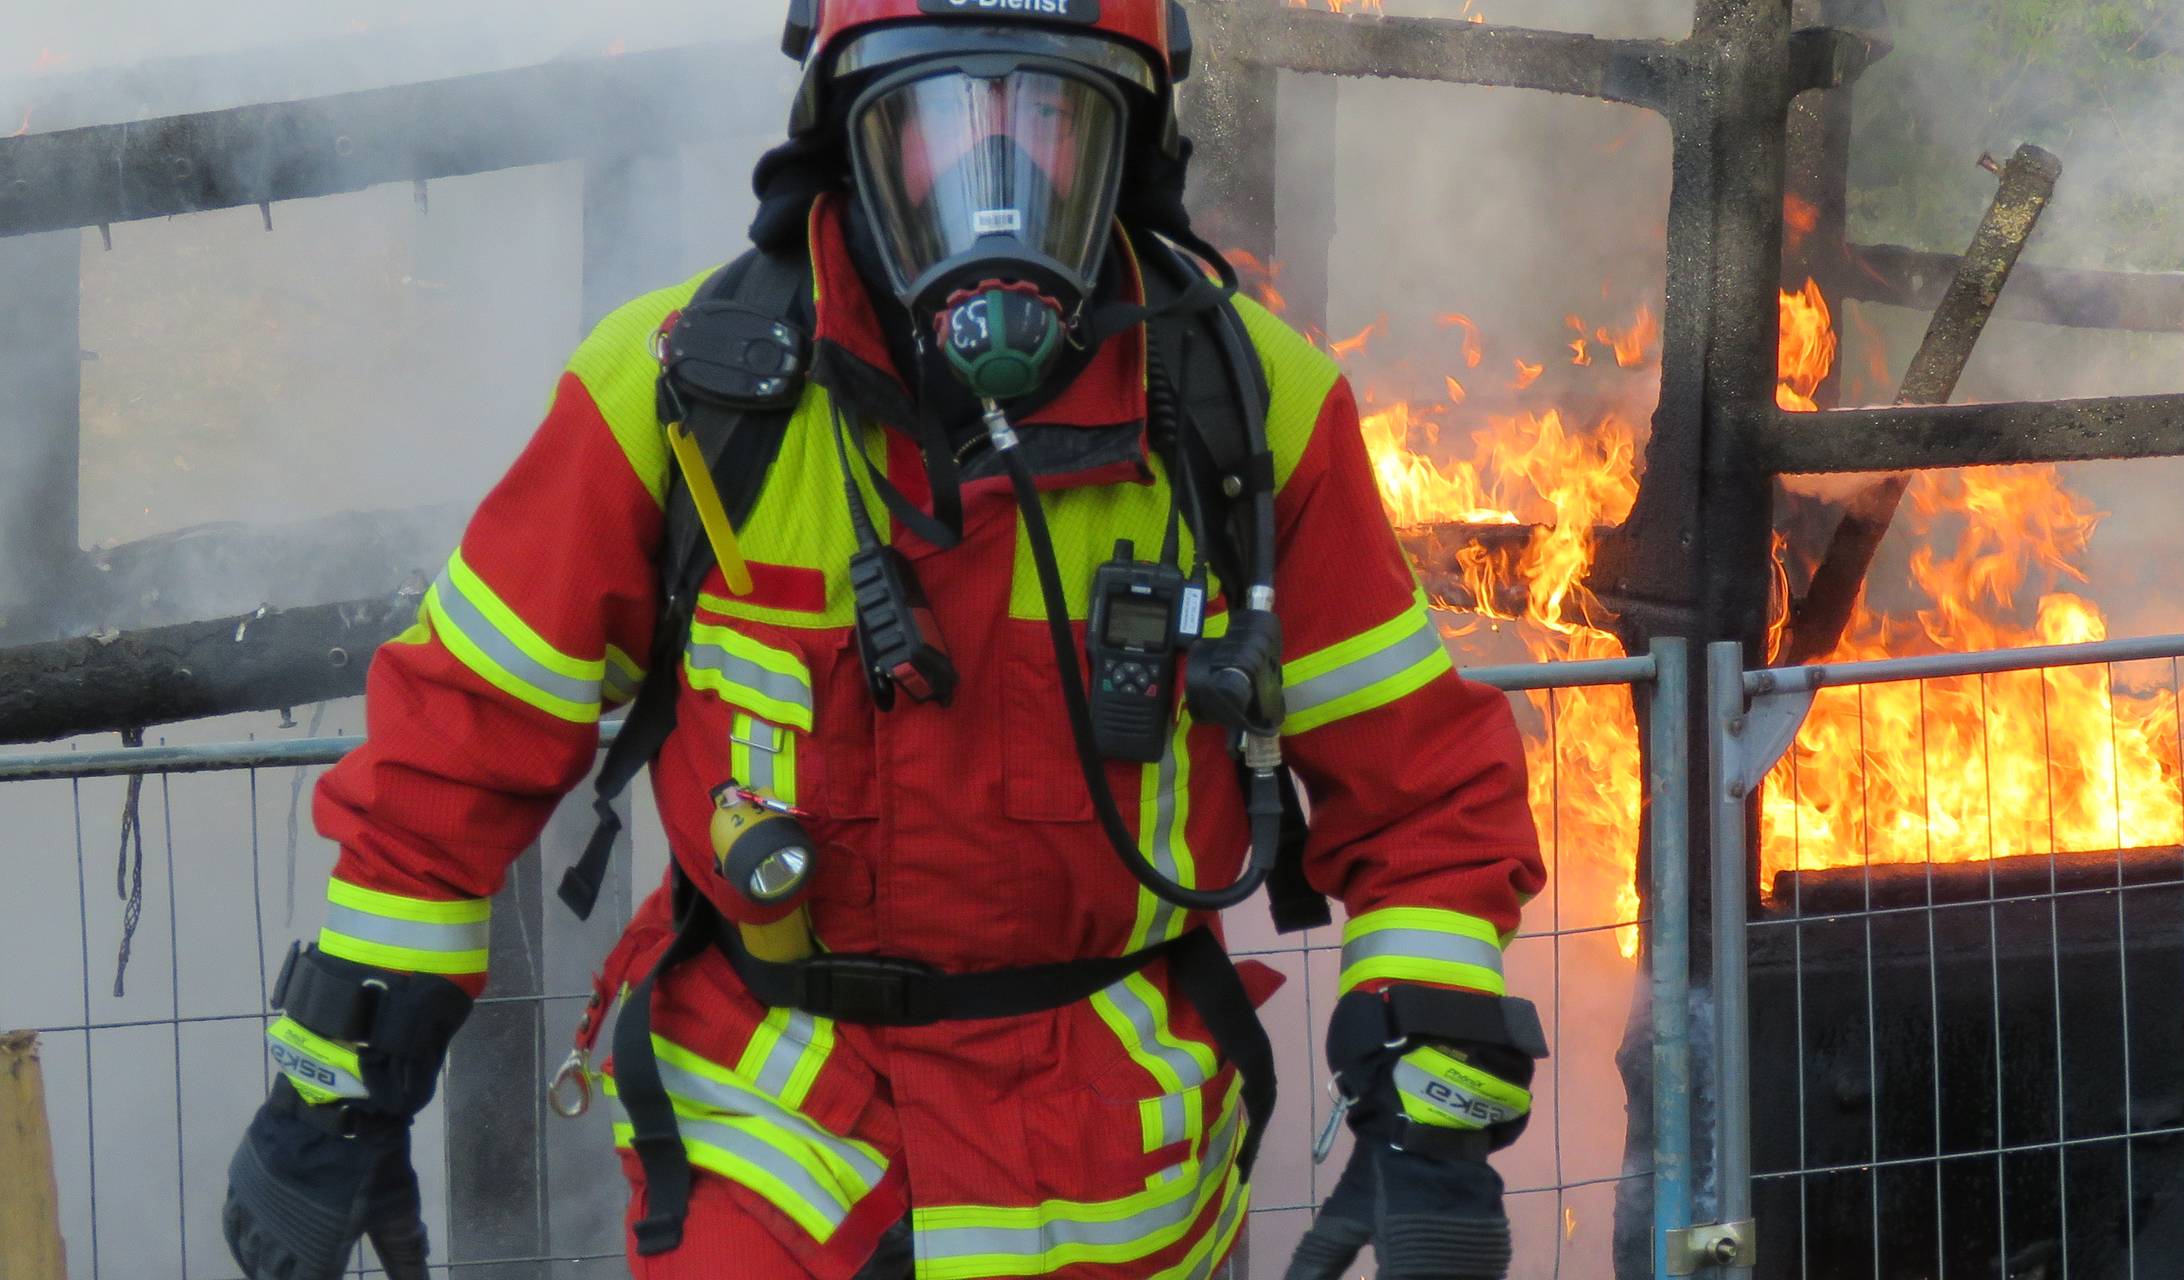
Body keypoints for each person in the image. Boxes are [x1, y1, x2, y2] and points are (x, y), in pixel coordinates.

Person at [216, 2, 1549, 1276]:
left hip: (1113, 1198)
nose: (994, 181)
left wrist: (1431, 1117)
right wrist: (339, 1093)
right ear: (848, 135)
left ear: (1128, 150)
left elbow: (1422, 795)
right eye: (941, 123)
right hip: (771, 1168)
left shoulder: (1249, 411)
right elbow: (456, 743)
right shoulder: (680, 394)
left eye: (1051, 124)